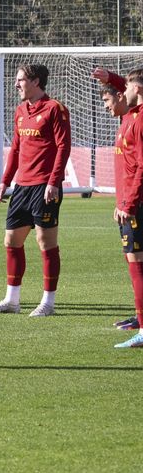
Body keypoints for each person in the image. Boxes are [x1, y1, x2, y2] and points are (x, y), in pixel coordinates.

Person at [0, 64, 71, 318]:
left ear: (35, 81)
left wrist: (54, 182)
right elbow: (15, 148)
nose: (16, 84)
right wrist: (5, 180)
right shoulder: (21, 111)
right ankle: (12, 300)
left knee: (45, 242)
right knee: (11, 240)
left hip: (45, 186)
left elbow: (63, 147)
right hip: (22, 187)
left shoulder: (55, 109)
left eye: (20, 80)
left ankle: (48, 302)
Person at [93, 68, 143, 346]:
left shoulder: (140, 119)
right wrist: (110, 78)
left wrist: (130, 203)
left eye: (128, 87)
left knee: (137, 262)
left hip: (136, 204)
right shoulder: (130, 116)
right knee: (135, 261)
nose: (123, 90)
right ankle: (140, 318)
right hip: (129, 202)